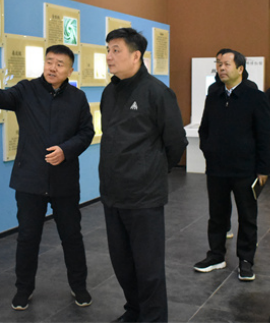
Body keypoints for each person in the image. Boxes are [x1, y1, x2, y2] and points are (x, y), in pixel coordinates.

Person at [0, 45, 94, 311]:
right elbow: (4, 98)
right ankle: (23, 289)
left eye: (59, 64)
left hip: (64, 180)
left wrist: (65, 150)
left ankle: (79, 286)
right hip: (30, 179)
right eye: (49, 61)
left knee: (71, 236)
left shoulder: (78, 98)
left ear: (70, 70)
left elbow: (86, 133)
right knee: (27, 238)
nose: (52, 67)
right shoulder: (27, 89)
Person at [99, 28, 187, 322]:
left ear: (136, 55)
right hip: (113, 193)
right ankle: (134, 311)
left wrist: (152, 170)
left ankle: (153, 318)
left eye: (116, 50)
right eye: (108, 49)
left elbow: (176, 142)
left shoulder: (156, 92)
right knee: (122, 263)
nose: (109, 56)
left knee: (148, 267)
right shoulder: (109, 92)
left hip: (144, 196)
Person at [194, 48, 270, 281]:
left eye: (227, 64)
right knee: (217, 215)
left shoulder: (255, 97)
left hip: (246, 169)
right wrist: (209, 150)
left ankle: (246, 260)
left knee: (247, 216)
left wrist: (264, 168)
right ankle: (216, 255)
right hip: (217, 169)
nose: (221, 68)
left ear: (240, 68)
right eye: (219, 64)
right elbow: (204, 128)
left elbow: (265, 135)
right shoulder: (213, 95)